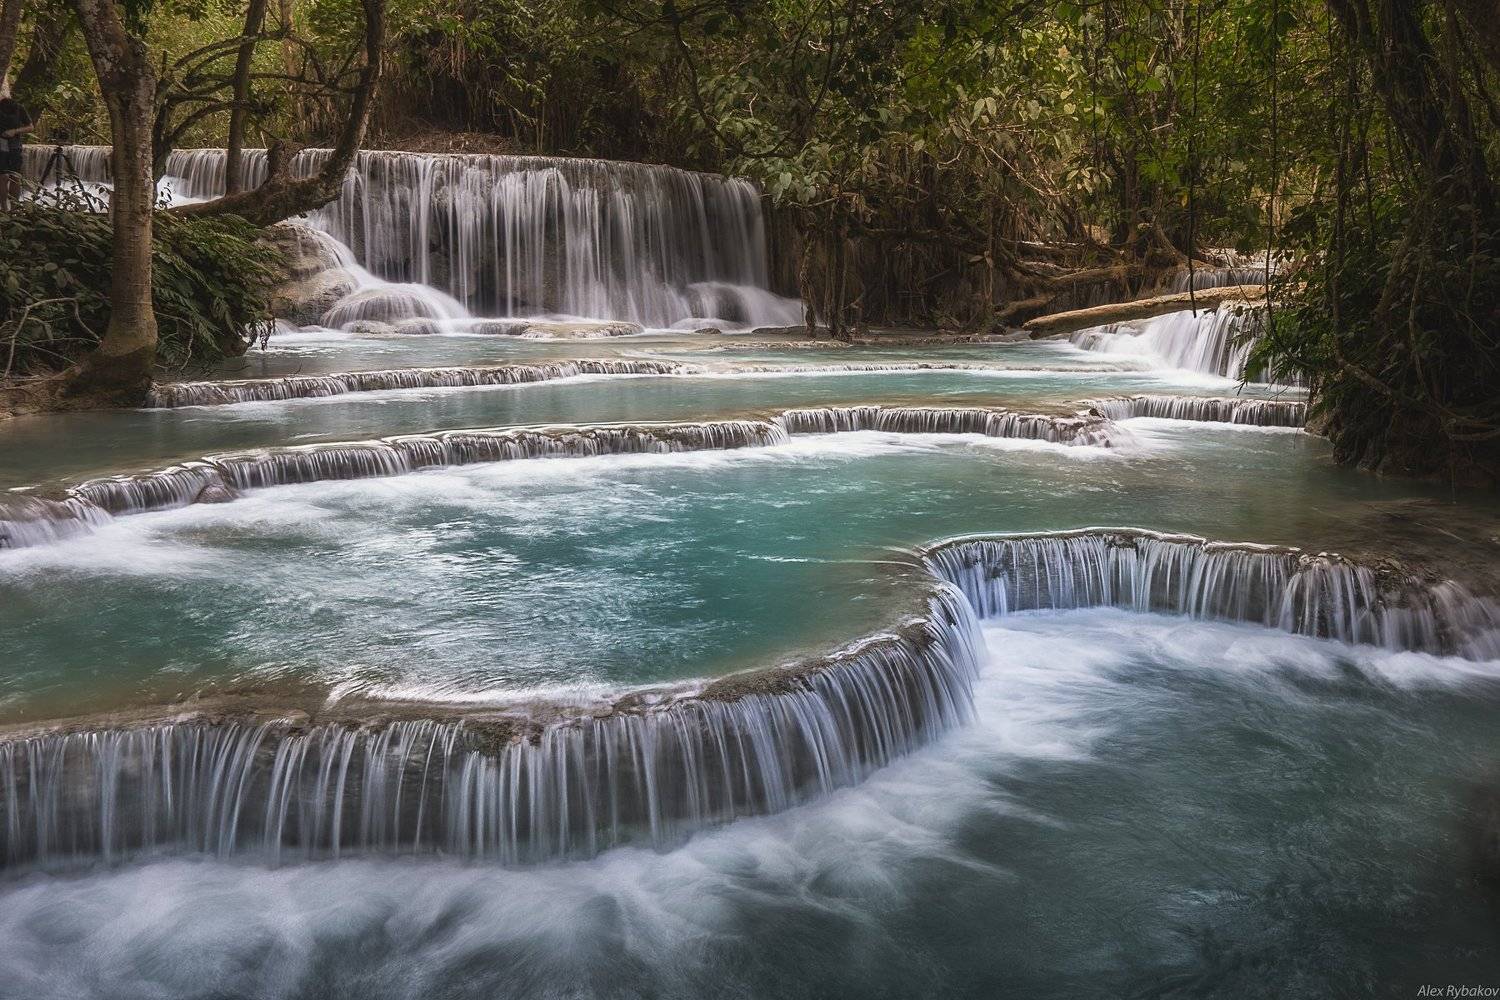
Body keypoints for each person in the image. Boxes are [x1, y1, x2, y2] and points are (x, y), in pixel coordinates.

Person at [0, 92, 36, 210]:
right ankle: (4, 207)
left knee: (15, 176)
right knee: (3, 176)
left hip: (15, 145)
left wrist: (15, 131)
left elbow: (30, 127)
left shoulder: (19, 108)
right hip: (1, 145)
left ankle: (15, 207)